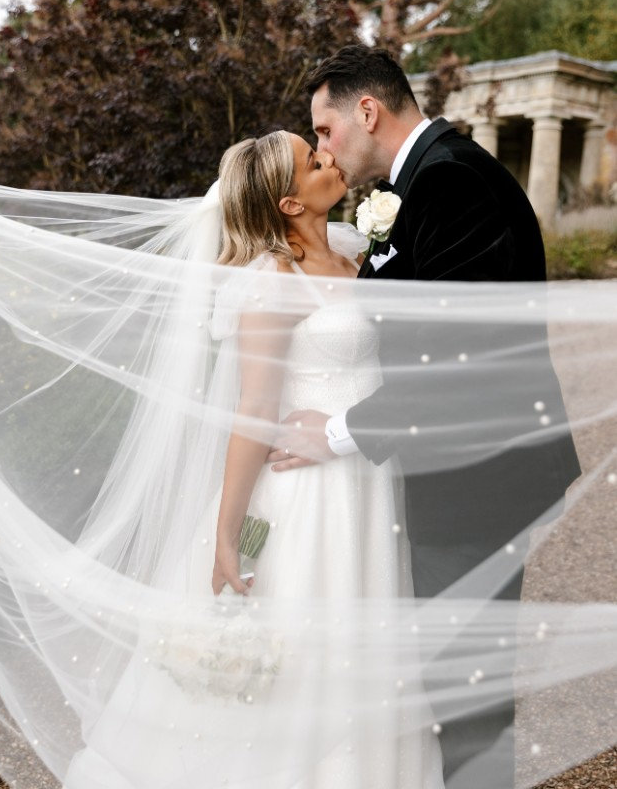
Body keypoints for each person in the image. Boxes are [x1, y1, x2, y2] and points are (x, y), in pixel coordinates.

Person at [60, 129, 445, 789]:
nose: (331, 160)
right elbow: (253, 413)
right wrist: (226, 536)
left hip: (366, 479)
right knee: (297, 658)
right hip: (304, 495)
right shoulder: (272, 285)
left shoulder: (358, 252)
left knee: (362, 645)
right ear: (290, 204)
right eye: (313, 160)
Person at [269, 45, 582, 788]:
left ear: (367, 111)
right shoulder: (428, 180)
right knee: (449, 680)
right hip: (453, 468)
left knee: (465, 687)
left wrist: (338, 434)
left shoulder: (451, 185)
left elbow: (457, 360)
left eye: (324, 129)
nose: (322, 147)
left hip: (474, 475)